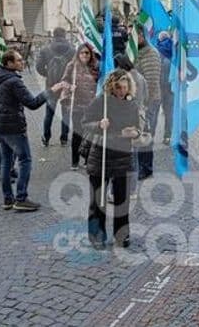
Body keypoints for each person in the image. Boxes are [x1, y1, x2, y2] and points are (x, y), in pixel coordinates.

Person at [0, 49, 65, 212]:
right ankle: (21, 198)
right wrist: (51, 90)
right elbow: (32, 103)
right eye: (18, 60)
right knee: (25, 160)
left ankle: (8, 199)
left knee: (6, 162)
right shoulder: (14, 81)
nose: (22, 62)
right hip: (13, 127)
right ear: (9, 63)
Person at [82, 69, 142, 248]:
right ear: (111, 86)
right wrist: (99, 124)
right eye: (118, 88)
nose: (121, 91)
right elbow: (85, 123)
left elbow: (139, 126)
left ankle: (122, 234)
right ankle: (97, 235)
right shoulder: (101, 101)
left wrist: (135, 132)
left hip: (123, 155)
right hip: (101, 154)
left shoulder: (132, 104)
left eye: (124, 87)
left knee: (122, 200)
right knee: (98, 201)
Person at [60, 42, 99, 170]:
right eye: (81, 52)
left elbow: (101, 82)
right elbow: (64, 80)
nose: (84, 55)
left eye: (87, 52)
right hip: (77, 105)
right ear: (78, 54)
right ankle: (75, 161)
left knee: (90, 134)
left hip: (92, 106)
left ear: (91, 54)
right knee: (77, 134)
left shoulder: (96, 66)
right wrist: (69, 86)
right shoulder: (72, 65)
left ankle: (88, 160)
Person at [35, 27, 76, 147]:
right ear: (65, 35)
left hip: (51, 85)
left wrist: (47, 74)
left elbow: (38, 67)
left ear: (53, 35)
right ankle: (64, 138)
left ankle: (46, 138)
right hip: (66, 85)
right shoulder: (72, 50)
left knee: (49, 113)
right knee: (66, 113)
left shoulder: (45, 49)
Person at [133, 30, 161, 180]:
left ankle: (146, 168)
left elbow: (151, 80)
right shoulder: (135, 51)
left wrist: (145, 103)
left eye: (136, 34)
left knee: (146, 134)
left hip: (148, 101)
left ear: (142, 36)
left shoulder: (150, 53)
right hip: (136, 101)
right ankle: (140, 165)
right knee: (139, 133)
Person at [156, 31, 173, 145]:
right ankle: (168, 136)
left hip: (158, 87)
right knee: (169, 113)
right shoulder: (174, 52)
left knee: (153, 112)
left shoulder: (156, 52)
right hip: (171, 88)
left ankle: (149, 135)